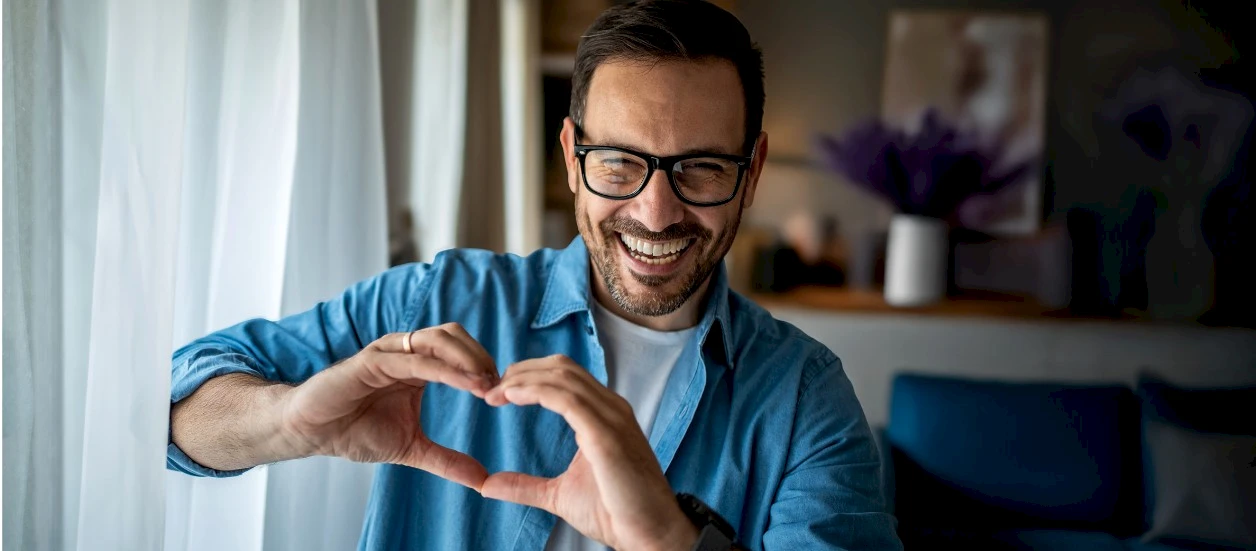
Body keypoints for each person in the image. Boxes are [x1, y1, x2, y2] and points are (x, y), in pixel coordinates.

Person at [167, 1, 903, 549]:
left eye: (702, 167)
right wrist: (289, 421)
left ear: (753, 170)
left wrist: (671, 541)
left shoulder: (805, 397)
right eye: (619, 162)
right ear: (571, 157)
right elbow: (175, 412)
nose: (655, 212)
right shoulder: (436, 300)